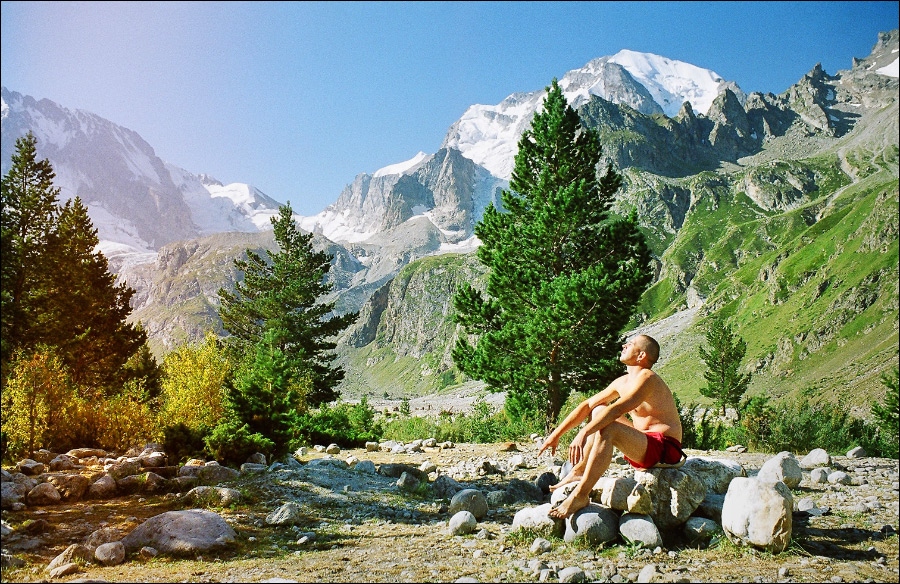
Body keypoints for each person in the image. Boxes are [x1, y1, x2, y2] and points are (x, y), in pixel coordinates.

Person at [537, 334, 684, 519]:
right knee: (598, 409)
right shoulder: (622, 381)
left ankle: (581, 495)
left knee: (609, 426)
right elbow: (587, 406)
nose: (624, 345)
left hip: (665, 449)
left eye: (630, 344)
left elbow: (617, 410)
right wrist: (556, 434)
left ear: (641, 356)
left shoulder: (648, 378)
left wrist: (583, 433)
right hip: (642, 444)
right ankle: (579, 471)